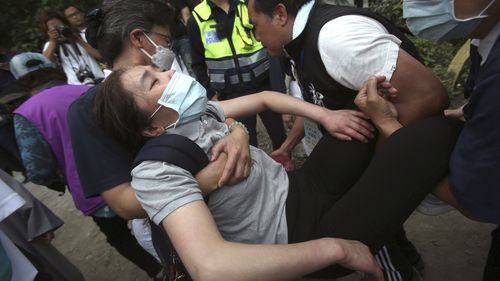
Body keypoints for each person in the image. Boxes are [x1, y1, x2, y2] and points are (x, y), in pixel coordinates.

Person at [94, 65, 462, 281]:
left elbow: (265, 99)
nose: (170, 72)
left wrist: (324, 116)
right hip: (298, 235)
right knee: (431, 137)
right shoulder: (156, 171)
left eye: (158, 69)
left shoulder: (198, 113)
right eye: (154, 82)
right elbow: (210, 266)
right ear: (150, 129)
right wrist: (335, 249)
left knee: (362, 113)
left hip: (300, 186)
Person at [246, 0, 452, 279]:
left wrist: (378, 170)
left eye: (255, 25)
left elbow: (426, 96)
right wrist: (288, 145)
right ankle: (408, 261)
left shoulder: (337, 38)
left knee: (368, 228)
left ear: (280, 14)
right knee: (382, 229)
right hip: (359, 158)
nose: (255, 36)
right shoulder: (299, 44)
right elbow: (320, 104)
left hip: (383, 157)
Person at [8, 52, 163, 279]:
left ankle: (158, 271)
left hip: (93, 191)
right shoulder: (90, 90)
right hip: (133, 173)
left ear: (21, 82)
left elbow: (38, 169)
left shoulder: (26, 114)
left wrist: (59, 176)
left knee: (118, 236)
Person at [402, 1, 500, 280]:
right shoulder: (485, 33)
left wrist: (394, 137)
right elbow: (481, 98)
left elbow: (476, 200)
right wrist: (469, 112)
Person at [187, 0, 288, 151]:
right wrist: (210, 93)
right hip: (232, 95)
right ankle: (258, 173)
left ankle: (286, 167)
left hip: (264, 84)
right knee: (246, 142)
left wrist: (280, 88)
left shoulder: (248, 5)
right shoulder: (198, 18)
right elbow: (198, 63)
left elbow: (271, 45)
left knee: (279, 135)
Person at [39, 9, 104, 85]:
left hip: (99, 80)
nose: (59, 30)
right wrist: (53, 41)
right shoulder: (50, 45)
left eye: (60, 26)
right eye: (54, 28)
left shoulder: (83, 36)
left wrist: (77, 39)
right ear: (48, 31)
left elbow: (100, 56)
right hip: (76, 86)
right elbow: (45, 64)